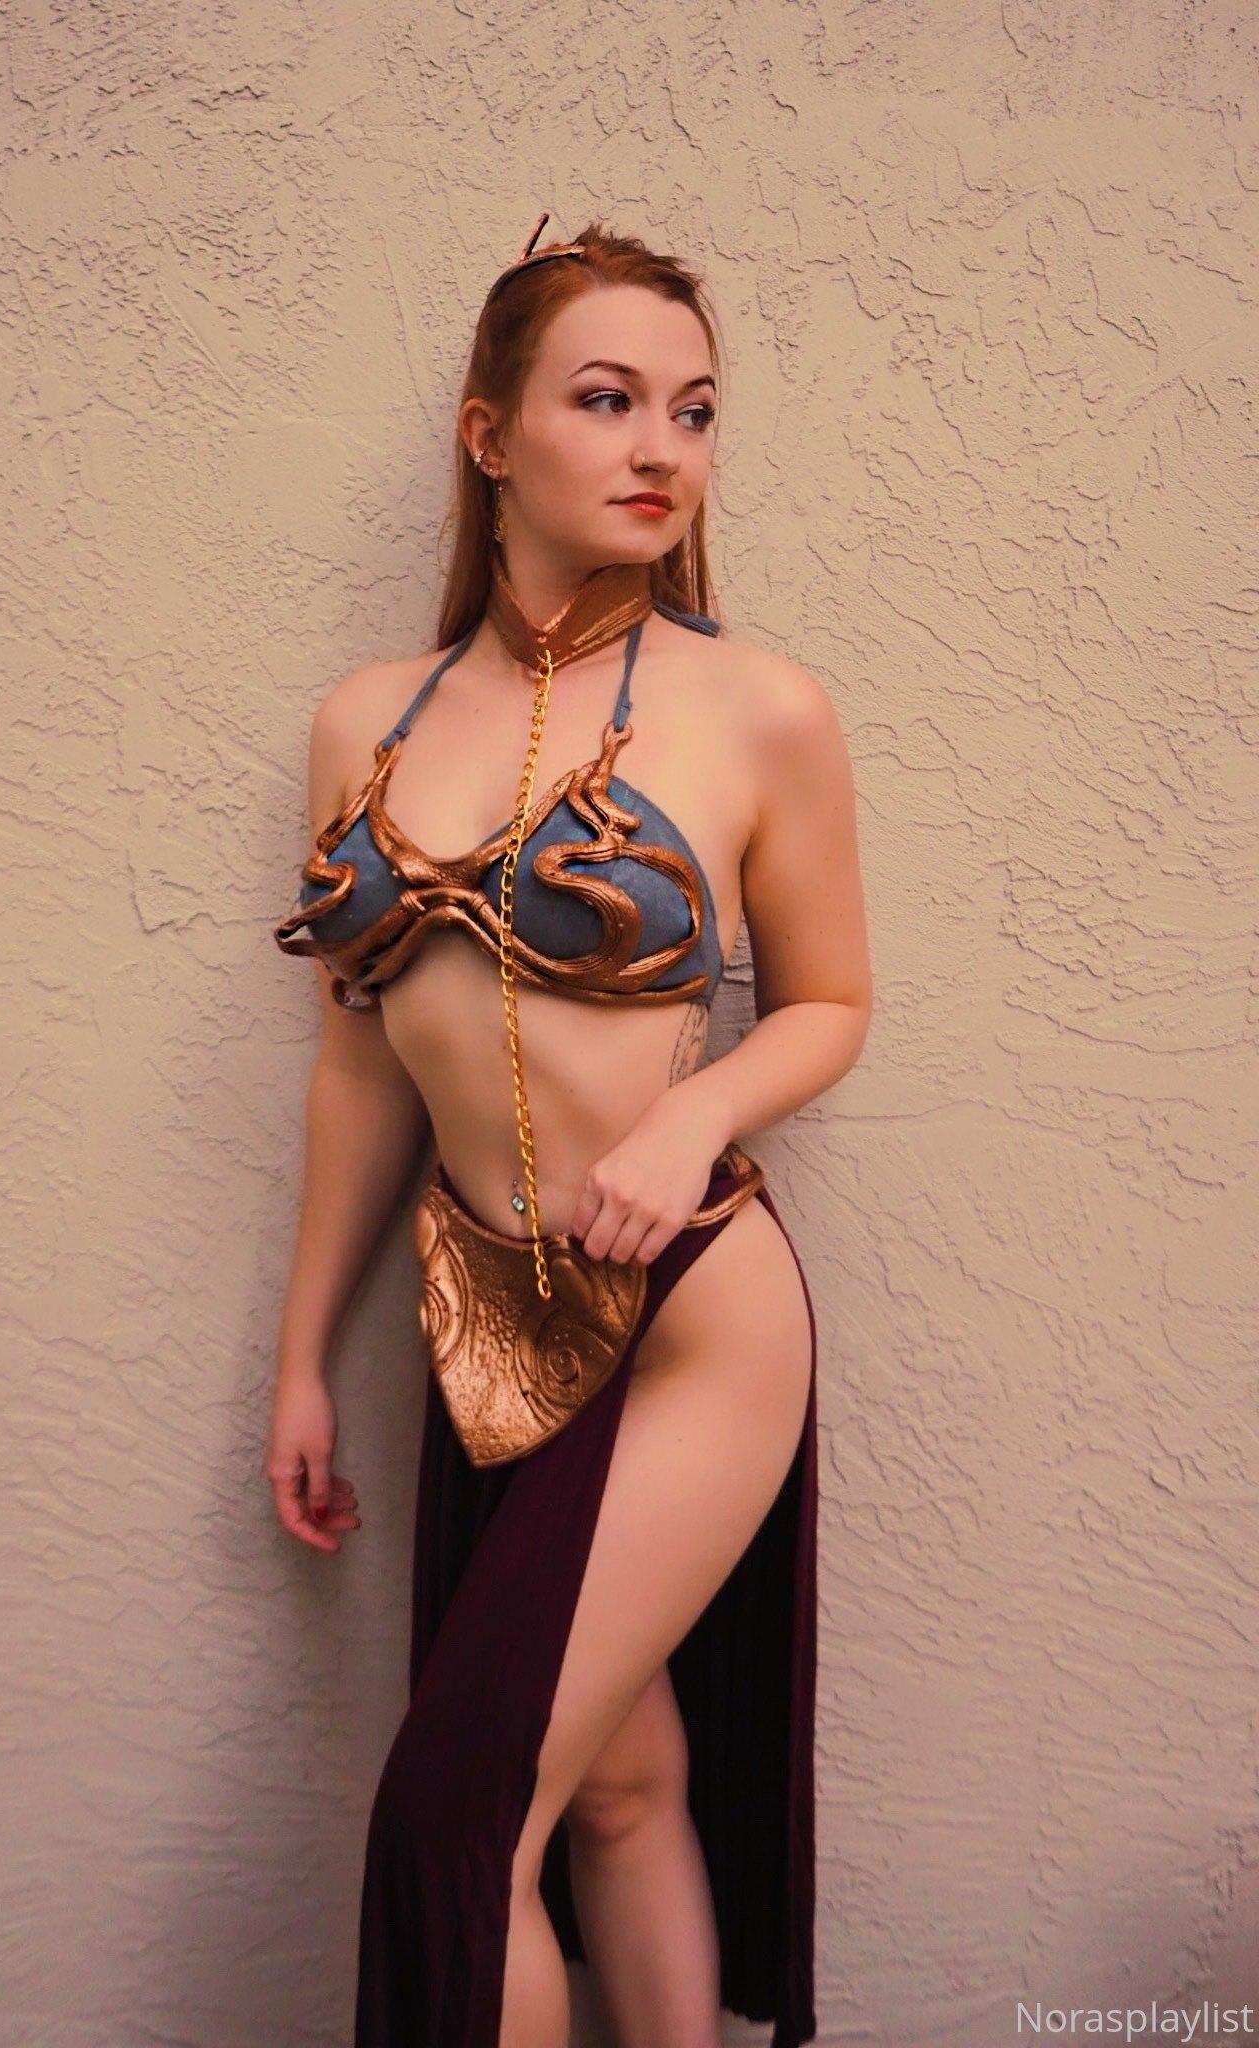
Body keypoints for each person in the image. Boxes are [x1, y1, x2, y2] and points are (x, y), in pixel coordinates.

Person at [265, 214, 872, 2048]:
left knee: (455, 1825)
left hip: (691, 1313)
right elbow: (363, 1067)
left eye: (694, 410)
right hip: (476, 1325)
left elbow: (832, 1003)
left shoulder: (759, 708)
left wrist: (697, 1114)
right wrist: (302, 1360)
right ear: (489, 433)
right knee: (612, 1784)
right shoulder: (365, 722)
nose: (659, 448)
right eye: (605, 400)